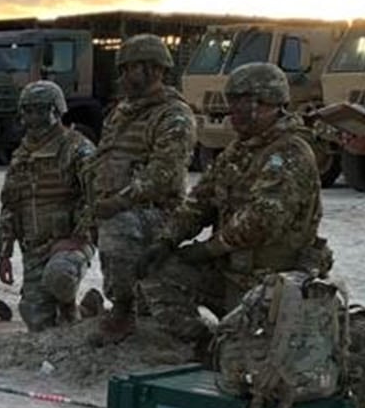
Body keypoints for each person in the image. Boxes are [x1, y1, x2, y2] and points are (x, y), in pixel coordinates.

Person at [140, 62, 328, 350]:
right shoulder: (238, 151)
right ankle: (204, 345)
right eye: (233, 102)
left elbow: (262, 220)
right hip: (229, 271)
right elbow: (200, 201)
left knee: (249, 353)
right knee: (160, 272)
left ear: (270, 103)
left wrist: (208, 249)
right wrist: (167, 240)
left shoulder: (290, 153)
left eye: (244, 102)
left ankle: (229, 346)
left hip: (271, 279)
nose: (234, 111)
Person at [88, 33, 195, 345]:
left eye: (131, 68)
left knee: (117, 227)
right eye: (122, 69)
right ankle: (134, 301)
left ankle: (123, 310)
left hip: (156, 211)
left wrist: (119, 202)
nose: (124, 76)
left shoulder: (173, 114)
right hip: (122, 207)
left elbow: (164, 173)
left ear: (155, 69)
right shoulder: (121, 113)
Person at [0, 80, 96, 331]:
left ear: (56, 110)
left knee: (60, 276)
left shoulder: (77, 148)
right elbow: (10, 205)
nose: (33, 118)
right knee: (36, 318)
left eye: (40, 110)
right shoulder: (21, 155)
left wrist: (79, 236)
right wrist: (5, 253)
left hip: (68, 243)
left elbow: (96, 196)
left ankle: (69, 308)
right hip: (34, 248)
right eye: (28, 110)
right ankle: (88, 310)